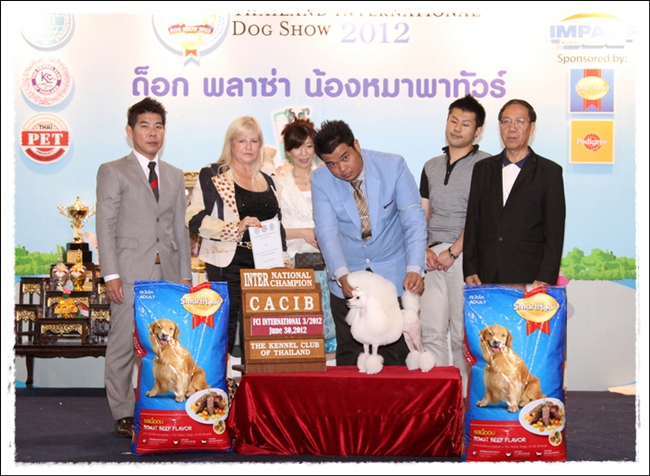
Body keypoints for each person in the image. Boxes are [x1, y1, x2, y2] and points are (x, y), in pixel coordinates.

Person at [96, 97, 192, 438]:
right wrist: (111, 274)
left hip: (168, 274)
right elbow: (105, 224)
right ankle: (123, 412)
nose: (152, 133)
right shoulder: (112, 170)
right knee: (123, 344)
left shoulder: (175, 175)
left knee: (166, 346)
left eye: (158, 126)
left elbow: (179, 228)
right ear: (130, 130)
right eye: (144, 126)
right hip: (128, 273)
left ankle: (161, 408)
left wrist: (185, 275)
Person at [311, 119, 427, 366]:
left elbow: (413, 220)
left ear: (356, 145)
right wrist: (342, 275)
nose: (342, 169)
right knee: (352, 357)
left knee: (397, 357)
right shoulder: (320, 180)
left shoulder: (393, 166)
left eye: (345, 158)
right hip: (349, 278)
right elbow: (326, 231)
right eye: (331, 164)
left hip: (393, 275)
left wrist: (415, 268)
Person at [186, 116, 290, 362]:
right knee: (225, 327)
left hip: (266, 264)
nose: (248, 147)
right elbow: (193, 218)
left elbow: (277, 225)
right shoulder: (213, 174)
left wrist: (284, 258)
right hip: (227, 262)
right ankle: (218, 383)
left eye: (254, 141)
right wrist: (235, 227)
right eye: (241, 141)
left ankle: (254, 383)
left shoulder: (269, 180)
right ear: (230, 143)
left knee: (260, 330)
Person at [419, 95, 491, 393]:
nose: (457, 128)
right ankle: (439, 396)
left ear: (478, 131)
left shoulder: (487, 164)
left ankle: (465, 397)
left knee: (463, 334)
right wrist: (422, 249)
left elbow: (481, 216)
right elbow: (422, 212)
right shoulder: (430, 165)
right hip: (430, 256)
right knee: (431, 330)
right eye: (453, 121)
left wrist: (453, 251)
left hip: (465, 256)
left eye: (465, 124)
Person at [463, 99, 566, 287]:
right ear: (499, 127)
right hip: (486, 273)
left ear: (531, 128)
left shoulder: (549, 172)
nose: (512, 128)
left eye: (520, 122)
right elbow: (473, 221)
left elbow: (554, 232)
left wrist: (545, 276)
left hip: (529, 275)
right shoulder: (483, 169)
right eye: (506, 121)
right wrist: (470, 267)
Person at [274, 118, 336, 354]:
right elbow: (269, 228)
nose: (304, 153)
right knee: (298, 329)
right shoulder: (277, 181)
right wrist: (303, 232)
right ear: (288, 151)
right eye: (297, 147)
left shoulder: (327, 178)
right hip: (292, 264)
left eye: (309, 146)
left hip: (327, 264)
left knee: (329, 328)